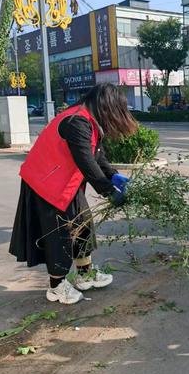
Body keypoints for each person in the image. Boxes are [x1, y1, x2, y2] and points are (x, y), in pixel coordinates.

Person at [9, 84, 137, 304]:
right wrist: (108, 191)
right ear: (106, 105)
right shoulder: (76, 121)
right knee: (60, 234)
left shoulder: (89, 121)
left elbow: (96, 155)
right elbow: (85, 161)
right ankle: (56, 287)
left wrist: (113, 175)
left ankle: (85, 274)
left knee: (83, 225)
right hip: (46, 185)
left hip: (66, 183)